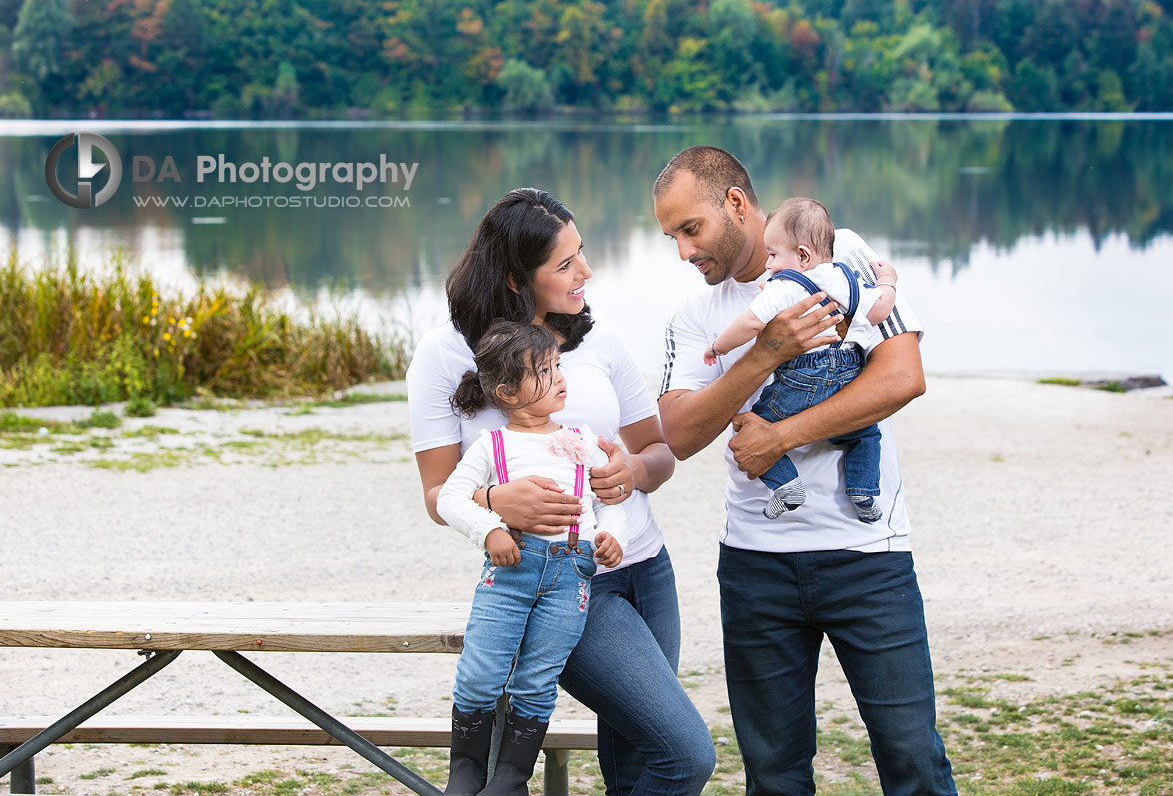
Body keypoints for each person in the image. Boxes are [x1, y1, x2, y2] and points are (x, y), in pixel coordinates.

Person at [652, 146, 956, 796]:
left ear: (735, 203)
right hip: (756, 565)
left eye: (690, 229)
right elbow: (679, 434)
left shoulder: (839, 250)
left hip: (867, 553)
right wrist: (767, 351)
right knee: (774, 775)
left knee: (913, 760)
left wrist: (782, 436)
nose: (683, 251)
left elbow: (903, 374)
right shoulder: (697, 316)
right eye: (671, 237)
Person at [407, 187, 715, 796]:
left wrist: (633, 471)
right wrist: (497, 503)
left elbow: (659, 454)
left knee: (638, 765)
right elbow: (437, 492)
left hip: (646, 569)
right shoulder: (446, 355)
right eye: (566, 263)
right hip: (559, 585)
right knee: (685, 756)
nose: (586, 272)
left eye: (583, 254)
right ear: (519, 280)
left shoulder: (600, 344)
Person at [436, 320, 628, 795]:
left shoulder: (582, 440)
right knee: (481, 670)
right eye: (543, 371)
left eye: (557, 365)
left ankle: (511, 777)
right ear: (507, 391)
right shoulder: (493, 445)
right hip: (511, 568)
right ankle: (465, 769)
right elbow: (449, 498)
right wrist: (489, 531)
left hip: (572, 571)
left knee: (537, 677)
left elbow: (609, 500)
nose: (559, 376)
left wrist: (611, 536)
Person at [703, 197, 899, 522]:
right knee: (866, 433)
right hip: (846, 374)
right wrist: (888, 282)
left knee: (751, 431)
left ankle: (787, 485)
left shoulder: (783, 286)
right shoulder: (843, 278)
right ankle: (863, 490)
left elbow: (751, 323)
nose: (768, 264)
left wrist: (718, 347)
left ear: (803, 255)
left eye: (774, 255)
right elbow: (880, 310)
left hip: (802, 380)